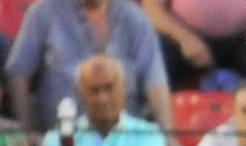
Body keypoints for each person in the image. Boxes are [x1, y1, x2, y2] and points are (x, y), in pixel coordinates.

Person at [4, 0, 172, 134]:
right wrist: (27, 132)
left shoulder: (135, 17)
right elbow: (18, 74)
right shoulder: (43, 12)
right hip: (61, 139)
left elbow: (156, 82)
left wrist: (168, 138)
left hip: (125, 141)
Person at [141, 1, 246, 114]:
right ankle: (159, 136)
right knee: (156, 55)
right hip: (183, 37)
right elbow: (152, 9)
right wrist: (183, 38)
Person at [40, 55, 167, 146]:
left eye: (109, 88)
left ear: (124, 88)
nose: (102, 98)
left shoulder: (148, 133)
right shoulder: (58, 136)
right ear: (81, 94)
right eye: (94, 91)